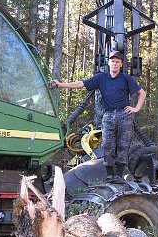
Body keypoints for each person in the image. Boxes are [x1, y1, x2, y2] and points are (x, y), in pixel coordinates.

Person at [51, 51, 146, 182]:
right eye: (113, 61)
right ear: (109, 63)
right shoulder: (101, 78)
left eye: (117, 61)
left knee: (123, 145)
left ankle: (118, 174)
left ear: (121, 64)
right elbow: (81, 84)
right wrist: (61, 85)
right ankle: (109, 174)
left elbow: (142, 93)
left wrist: (136, 109)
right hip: (108, 116)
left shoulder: (126, 79)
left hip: (124, 115)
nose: (115, 64)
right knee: (107, 144)